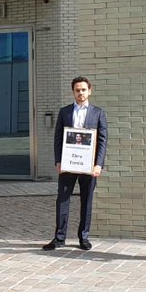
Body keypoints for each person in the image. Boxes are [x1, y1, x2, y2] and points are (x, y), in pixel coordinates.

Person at [42, 76, 109, 251]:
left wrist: (98, 164)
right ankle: (59, 237)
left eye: (83, 90)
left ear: (90, 91)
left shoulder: (98, 113)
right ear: (73, 92)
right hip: (68, 165)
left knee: (87, 200)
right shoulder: (64, 112)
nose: (80, 93)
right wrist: (58, 161)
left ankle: (84, 237)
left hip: (89, 167)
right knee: (62, 200)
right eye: (77, 90)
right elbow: (58, 139)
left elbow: (102, 141)